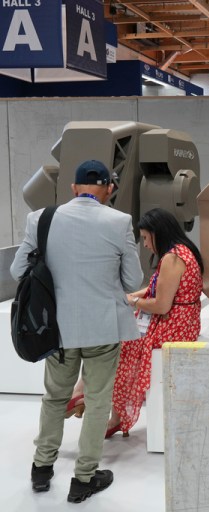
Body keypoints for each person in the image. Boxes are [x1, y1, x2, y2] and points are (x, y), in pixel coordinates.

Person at [10, 160, 143, 503]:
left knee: (54, 398)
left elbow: (16, 270)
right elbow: (133, 281)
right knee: (98, 403)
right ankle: (84, 478)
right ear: (109, 189)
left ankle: (42, 469)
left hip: (57, 331)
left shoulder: (40, 218)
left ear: (73, 188)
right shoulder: (119, 222)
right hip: (102, 329)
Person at [107, 207, 204, 438]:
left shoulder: (172, 258)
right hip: (184, 321)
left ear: (156, 233)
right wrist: (133, 297)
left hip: (174, 325)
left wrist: (134, 303)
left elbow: (161, 305)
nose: (146, 245)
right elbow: (156, 288)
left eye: (145, 238)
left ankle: (116, 415)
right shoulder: (183, 250)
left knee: (124, 346)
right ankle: (113, 412)